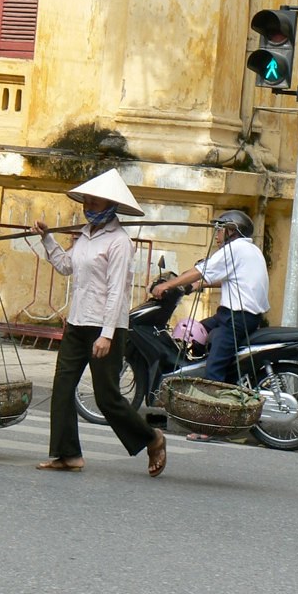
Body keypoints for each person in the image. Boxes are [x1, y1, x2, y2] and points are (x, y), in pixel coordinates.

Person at [31, 168, 167, 477]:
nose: (89, 206)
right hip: (77, 322)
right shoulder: (84, 236)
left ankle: (152, 438)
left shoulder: (119, 242)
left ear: (110, 204)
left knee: (107, 398)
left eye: (95, 201)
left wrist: (106, 335)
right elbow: (66, 266)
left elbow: (117, 291)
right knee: (62, 388)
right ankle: (68, 454)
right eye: (87, 201)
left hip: (106, 327)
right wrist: (47, 238)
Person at [150, 209, 269, 384]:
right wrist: (201, 285)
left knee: (213, 369)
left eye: (220, 230)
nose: (217, 235)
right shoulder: (251, 250)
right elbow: (235, 279)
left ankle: (214, 393)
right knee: (196, 333)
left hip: (236, 320)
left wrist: (167, 285)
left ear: (232, 231)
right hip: (235, 316)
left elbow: (200, 271)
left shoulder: (234, 249)